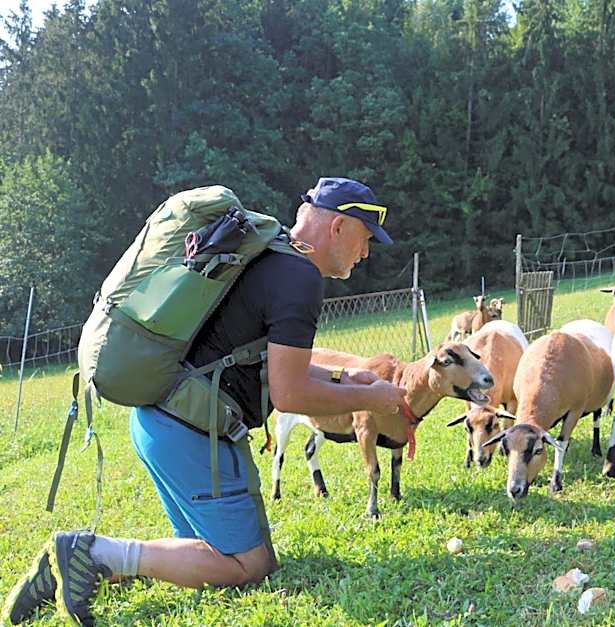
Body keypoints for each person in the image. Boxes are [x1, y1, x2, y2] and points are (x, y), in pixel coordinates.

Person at [3, 177, 407, 626]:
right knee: (248, 566)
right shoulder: (299, 278)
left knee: (196, 555)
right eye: (366, 238)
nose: (366, 252)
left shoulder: (265, 253)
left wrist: (341, 374)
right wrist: (371, 396)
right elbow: (290, 394)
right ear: (338, 227)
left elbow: (258, 361)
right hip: (194, 433)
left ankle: (61, 574)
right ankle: (90, 553)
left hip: (161, 419)